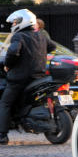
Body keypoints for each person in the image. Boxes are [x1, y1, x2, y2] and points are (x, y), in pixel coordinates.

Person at [0, 9, 56, 145]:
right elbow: (52, 46)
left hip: (19, 79)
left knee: (5, 103)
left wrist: (7, 65)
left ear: (21, 21)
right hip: (39, 77)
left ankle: (2, 135)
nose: (13, 24)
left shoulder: (19, 36)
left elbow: (13, 52)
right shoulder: (41, 35)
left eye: (15, 22)